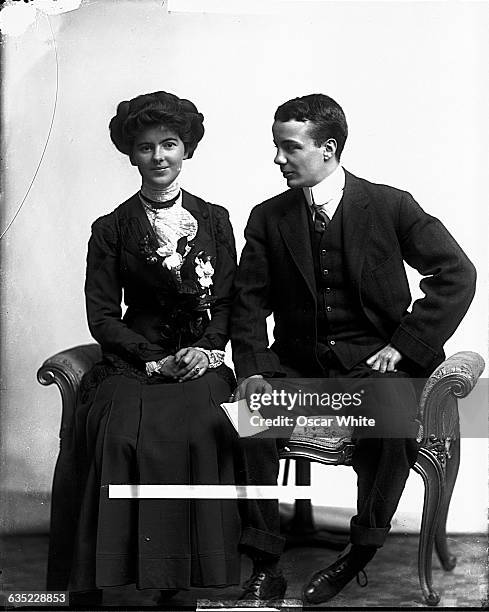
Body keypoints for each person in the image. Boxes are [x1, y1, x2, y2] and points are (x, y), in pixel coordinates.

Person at [231, 93, 476, 604]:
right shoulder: (267, 218)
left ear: (328, 148)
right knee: (250, 415)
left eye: (289, 147)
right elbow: (248, 304)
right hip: (301, 368)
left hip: (376, 368)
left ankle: (358, 555)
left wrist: (404, 346)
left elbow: (457, 273)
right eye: (275, 147)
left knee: (390, 422)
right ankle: (265, 564)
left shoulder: (389, 205)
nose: (278, 159)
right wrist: (253, 368)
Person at [63, 91, 242, 604]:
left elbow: (229, 300)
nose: (158, 157)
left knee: (202, 424)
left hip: (198, 361)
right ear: (131, 155)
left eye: (169, 144)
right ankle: (119, 571)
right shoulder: (111, 228)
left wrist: (208, 350)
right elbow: (101, 315)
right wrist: (152, 356)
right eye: (146, 148)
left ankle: (186, 577)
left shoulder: (215, 220)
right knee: (120, 427)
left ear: (187, 150)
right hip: (136, 362)